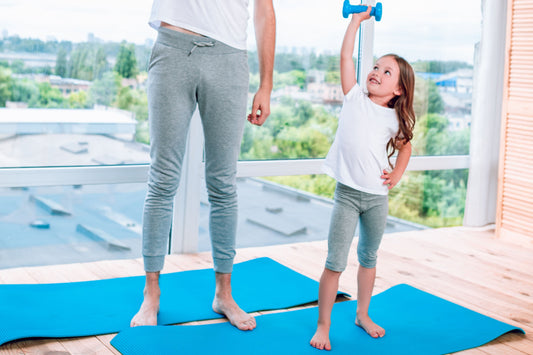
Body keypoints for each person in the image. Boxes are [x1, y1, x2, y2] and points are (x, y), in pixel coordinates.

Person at [130, 0, 276, 331]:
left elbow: (265, 11)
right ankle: (151, 294)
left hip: (229, 59)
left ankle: (224, 293)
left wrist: (266, 84)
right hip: (172, 50)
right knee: (163, 180)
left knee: (223, 183)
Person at [310, 6, 415, 350]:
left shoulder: (394, 121)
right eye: (375, 67)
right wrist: (355, 21)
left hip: (376, 200)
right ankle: (323, 325)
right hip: (347, 195)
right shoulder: (354, 97)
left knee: (369, 258)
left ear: (398, 89)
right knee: (334, 262)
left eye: (386, 72)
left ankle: (363, 314)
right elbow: (345, 55)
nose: (376, 73)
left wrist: (396, 175)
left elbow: (406, 148)